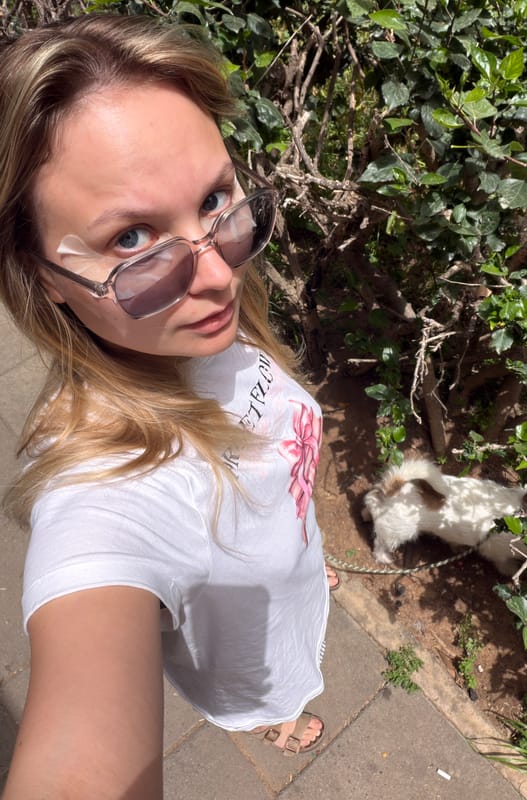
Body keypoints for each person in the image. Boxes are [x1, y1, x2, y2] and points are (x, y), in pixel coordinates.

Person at [0, 14, 335, 798]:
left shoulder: (198, 327)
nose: (218, 273)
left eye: (216, 197)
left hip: (290, 590)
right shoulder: (101, 496)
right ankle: (272, 715)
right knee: (271, 691)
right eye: (131, 240)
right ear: (45, 276)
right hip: (242, 662)